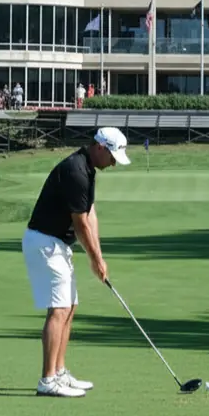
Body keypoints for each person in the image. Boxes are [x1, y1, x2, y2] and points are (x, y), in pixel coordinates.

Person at [22, 127, 131, 397]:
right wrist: (94, 260)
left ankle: (59, 372)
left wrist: (100, 257)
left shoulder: (88, 169)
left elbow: (90, 214)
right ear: (100, 148)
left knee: (70, 307)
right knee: (58, 310)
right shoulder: (76, 171)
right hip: (45, 242)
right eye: (113, 156)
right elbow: (80, 224)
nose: (115, 163)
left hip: (57, 243)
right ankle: (47, 380)